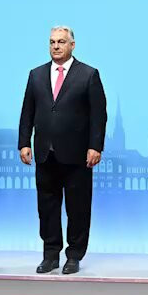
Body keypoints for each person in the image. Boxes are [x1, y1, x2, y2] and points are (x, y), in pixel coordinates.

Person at [18, 26, 107, 274]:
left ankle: (74, 255)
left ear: (72, 45)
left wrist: (95, 146)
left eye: (61, 42)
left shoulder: (88, 74)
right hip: (45, 153)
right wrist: (24, 142)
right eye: (52, 42)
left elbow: (98, 115)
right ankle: (50, 255)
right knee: (47, 207)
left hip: (77, 155)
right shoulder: (36, 74)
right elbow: (27, 112)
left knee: (78, 208)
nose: (56, 46)